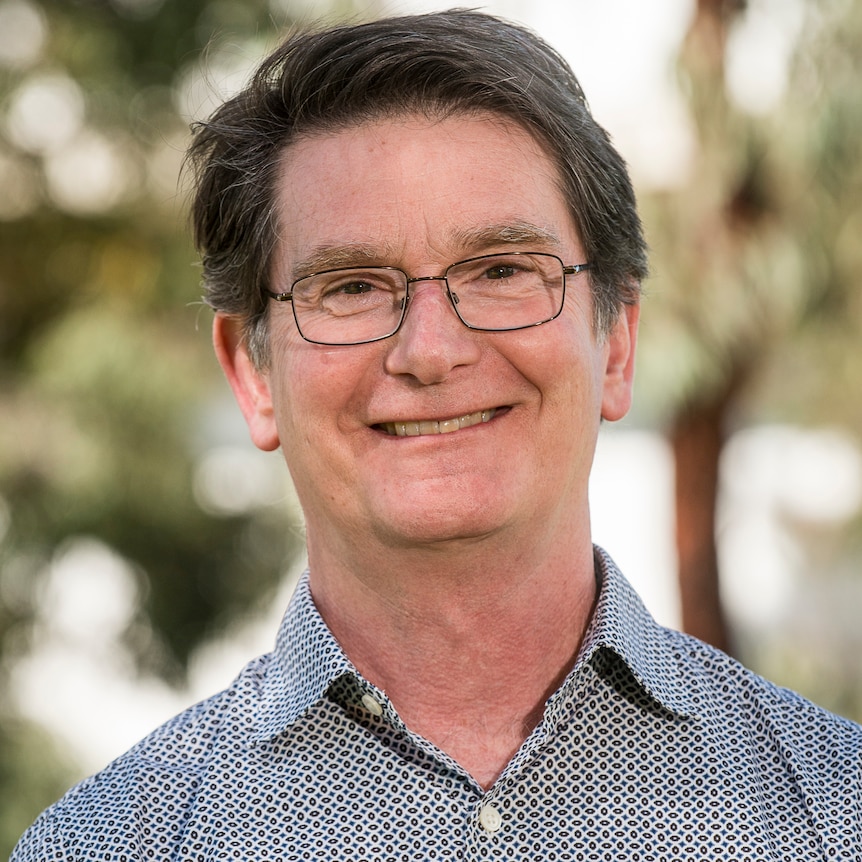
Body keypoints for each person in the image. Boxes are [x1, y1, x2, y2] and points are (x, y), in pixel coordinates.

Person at [13, 9, 861, 860]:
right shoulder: (102, 846)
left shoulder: (838, 808)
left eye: (501, 271)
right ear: (253, 374)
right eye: (350, 287)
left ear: (617, 344)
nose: (430, 351)